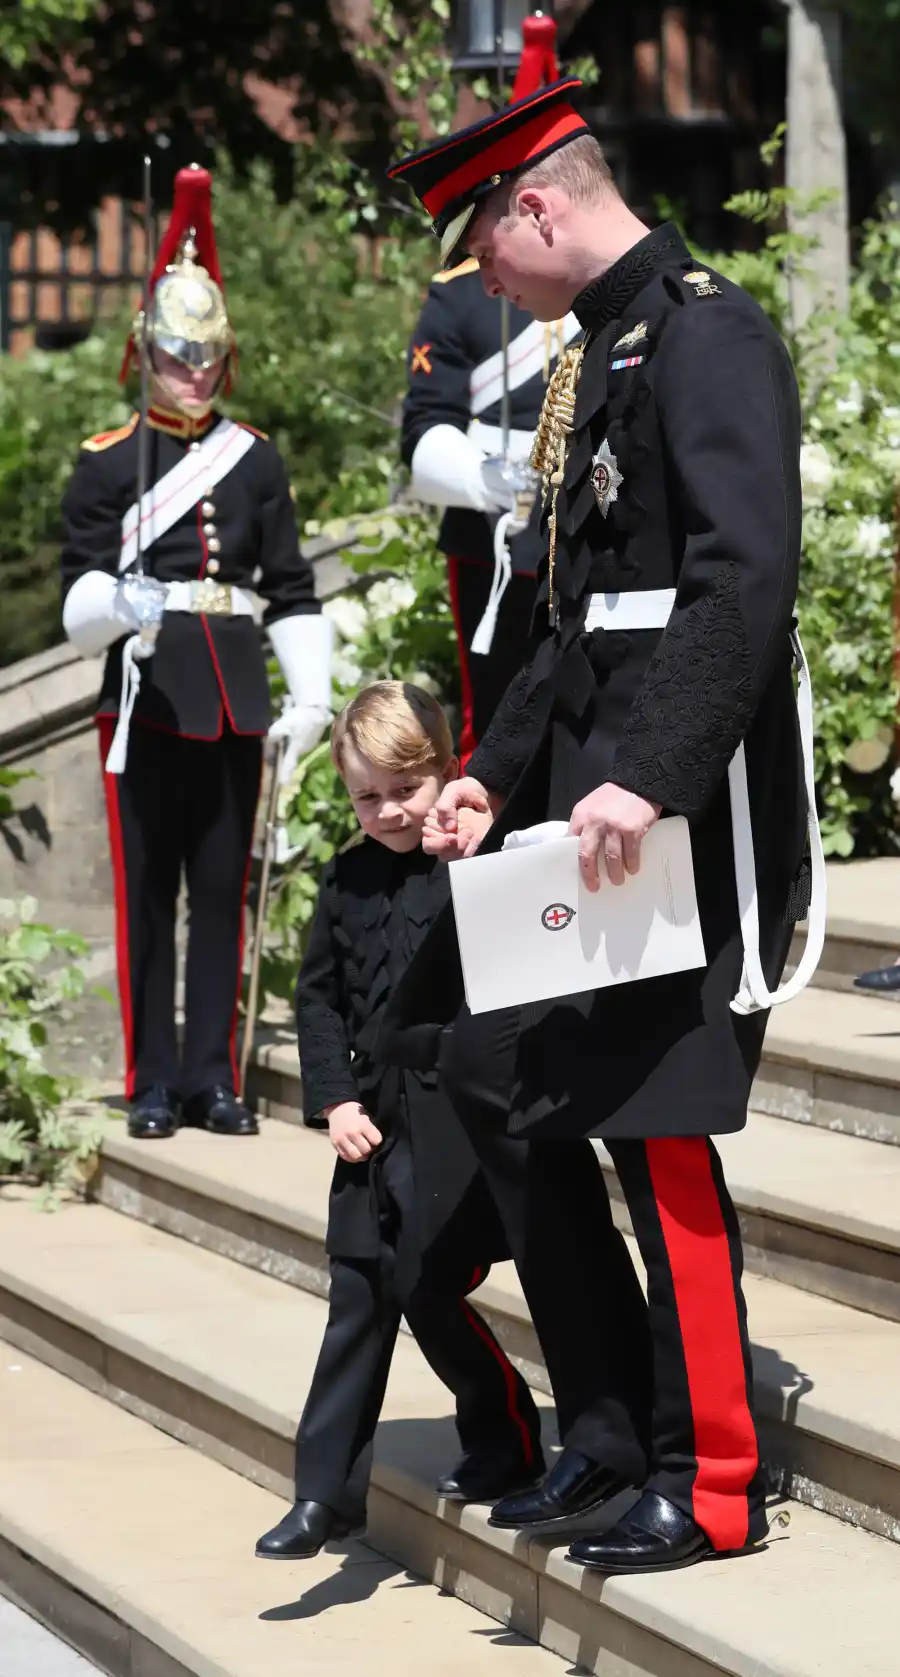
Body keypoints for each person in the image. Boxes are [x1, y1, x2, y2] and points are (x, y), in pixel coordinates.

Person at [381, 80, 817, 1574]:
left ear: (540, 206)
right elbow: (570, 629)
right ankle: (614, 1427)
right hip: (589, 812)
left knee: (663, 1134)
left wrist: (659, 770)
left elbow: (742, 579)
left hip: (676, 820)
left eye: (484, 244)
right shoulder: (596, 356)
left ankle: (711, 1478)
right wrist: (497, 773)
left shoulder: (708, 331)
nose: (480, 279)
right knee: (503, 1074)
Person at [60, 164, 332, 1141]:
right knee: (147, 898)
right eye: (178, 357)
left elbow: (289, 584)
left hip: (232, 694)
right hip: (143, 696)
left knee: (224, 894)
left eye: (208, 358)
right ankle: (150, 1080)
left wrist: (311, 694)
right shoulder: (105, 459)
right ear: (148, 354)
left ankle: (215, 1078)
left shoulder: (254, 459)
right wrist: (115, 607)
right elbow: (76, 592)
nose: (195, 373)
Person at [254, 682, 543, 1560]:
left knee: (425, 1284)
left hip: (457, 1123)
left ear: (444, 772)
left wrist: (471, 860)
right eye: (365, 795)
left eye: (403, 790)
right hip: (370, 1125)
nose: (385, 811)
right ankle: (321, 1497)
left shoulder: (472, 865)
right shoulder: (343, 881)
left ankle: (506, 1434)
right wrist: (333, 1097)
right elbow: (319, 1001)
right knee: (356, 1295)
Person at [401, 12, 580, 766]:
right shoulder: (460, 292)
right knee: (494, 716)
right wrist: (484, 480)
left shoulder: (599, 273)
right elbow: (425, 428)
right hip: (494, 526)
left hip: (588, 508)